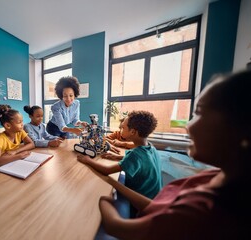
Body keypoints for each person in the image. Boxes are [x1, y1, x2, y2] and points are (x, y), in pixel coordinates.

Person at [97, 69, 251, 240]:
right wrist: (117, 180)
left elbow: (118, 227)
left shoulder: (202, 212)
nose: (188, 126)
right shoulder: (212, 177)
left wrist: (103, 200)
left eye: (199, 112)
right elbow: (159, 206)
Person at [77, 110, 162, 217]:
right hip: (156, 198)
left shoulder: (135, 155)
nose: (120, 129)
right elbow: (142, 161)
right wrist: (118, 157)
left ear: (133, 132)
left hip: (142, 205)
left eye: (123, 128)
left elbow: (107, 170)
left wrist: (87, 160)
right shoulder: (151, 147)